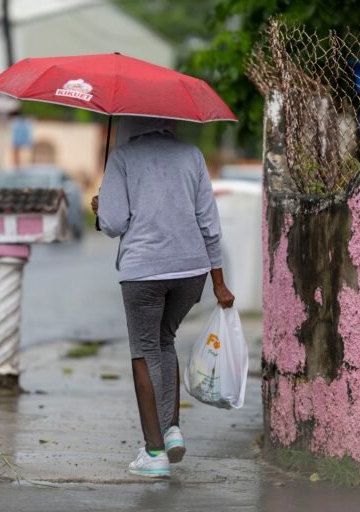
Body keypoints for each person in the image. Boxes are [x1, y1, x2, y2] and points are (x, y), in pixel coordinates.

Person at [91, 117, 235, 478]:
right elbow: (209, 223)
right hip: (192, 271)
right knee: (165, 339)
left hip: (144, 273)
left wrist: (100, 207)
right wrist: (219, 282)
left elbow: (113, 224)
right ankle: (171, 431)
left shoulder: (122, 157)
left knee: (144, 351)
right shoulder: (192, 155)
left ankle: (153, 451)